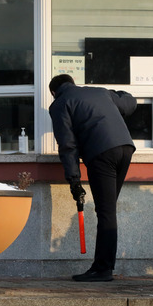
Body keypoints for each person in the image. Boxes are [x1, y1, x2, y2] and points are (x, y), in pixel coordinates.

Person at [48, 74, 137, 282]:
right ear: (72, 83)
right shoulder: (99, 92)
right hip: (125, 147)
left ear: (54, 92)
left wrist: (74, 181)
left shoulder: (60, 104)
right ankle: (102, 266)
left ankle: (102, 270)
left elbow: (67, 145)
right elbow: (130, 102)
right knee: (107, 211)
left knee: (106, 212)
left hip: (102, 153)